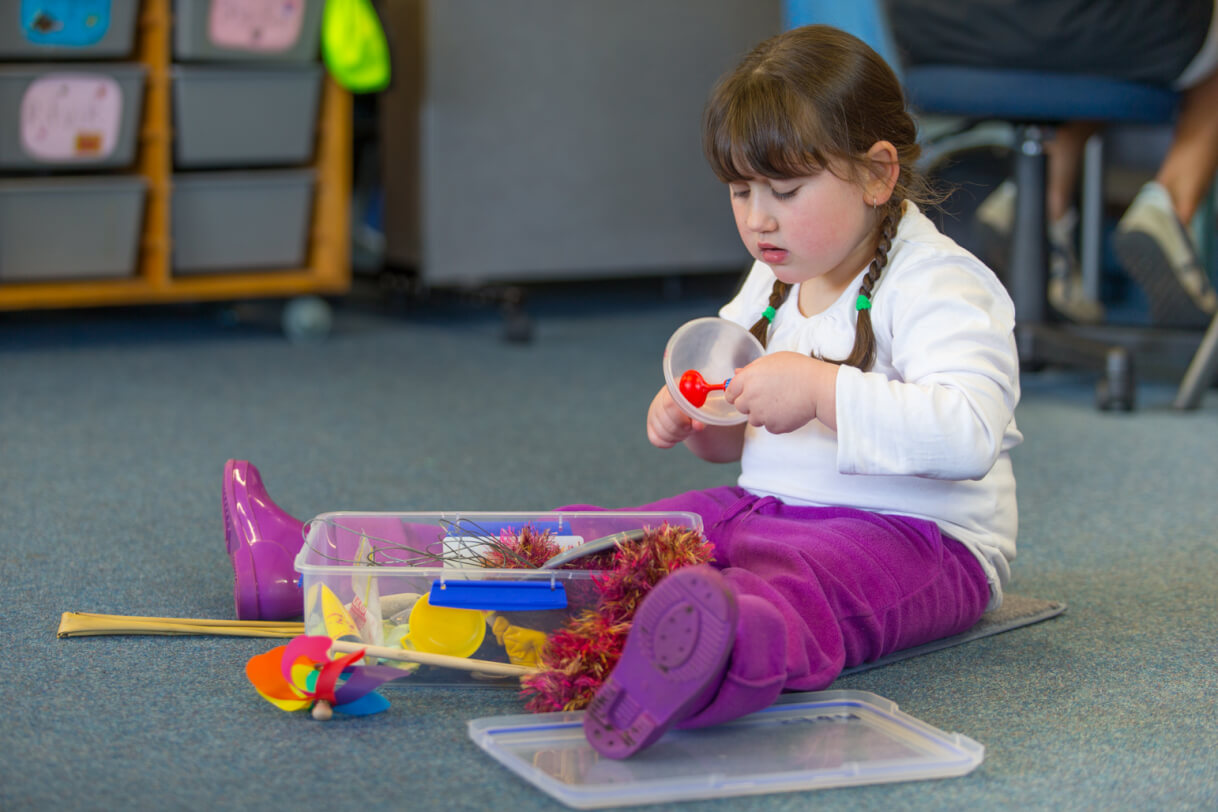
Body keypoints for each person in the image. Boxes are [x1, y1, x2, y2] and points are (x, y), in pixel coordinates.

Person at [222, 25, 1021, 760]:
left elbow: (970, 432)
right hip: (767, 508)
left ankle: (698, 661)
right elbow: (733, 433)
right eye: (742, 193)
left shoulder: (942, 284)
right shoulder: (777, 276)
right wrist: (702, 416)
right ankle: (327, 573)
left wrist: (821, 390)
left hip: (916, 539)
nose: (759, 221)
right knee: (595, 542)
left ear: (878, 174)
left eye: (785, 191)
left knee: (786, 591)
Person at [888, 0, 1218, 328]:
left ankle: (1042, 203)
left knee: (1088, 54)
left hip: (932, 29)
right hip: (1099, 32)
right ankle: (1170, 203)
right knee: (1113, 40)